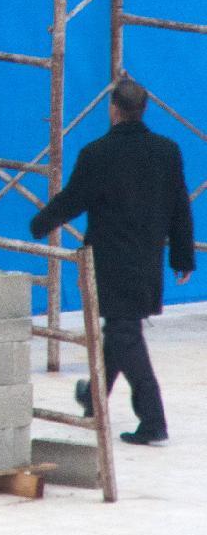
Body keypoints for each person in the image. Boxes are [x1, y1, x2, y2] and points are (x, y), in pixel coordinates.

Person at [30, 77, 195, 446]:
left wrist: (41, 224)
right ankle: (93, 396)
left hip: (109, 259)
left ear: (113, 109)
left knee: (124, 332)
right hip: (146, 258)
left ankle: (153, 419)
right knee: (120, 329)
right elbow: (179, 207)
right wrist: (182, 256)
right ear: (144, 108)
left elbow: (73, 200)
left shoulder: (97, 154)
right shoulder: (167, 151)